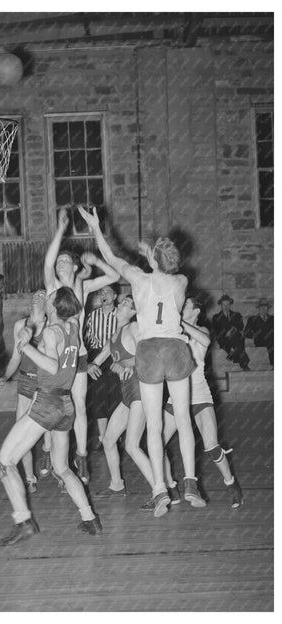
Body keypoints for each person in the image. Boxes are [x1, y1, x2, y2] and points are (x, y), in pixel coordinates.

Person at [79, 206, 205, 517]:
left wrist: (96, 227)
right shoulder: (181, 283)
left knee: (155, 424)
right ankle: (190, 482)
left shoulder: (138, 279)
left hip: (149, 350)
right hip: (176, 349)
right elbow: (166, 267)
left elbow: (111, 258)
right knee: (184, 420)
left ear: (151, 261)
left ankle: (160, 488)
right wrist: (154, 253)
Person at [0, 286, 102, 546]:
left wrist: (25, 346)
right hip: (66, 403)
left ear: (53, 307)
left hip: (48, 401)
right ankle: (90, 519)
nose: (46, 300)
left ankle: (24, 521)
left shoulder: (52, 333)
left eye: (49, 298)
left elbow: (53, 366)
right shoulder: (72, 328)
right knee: (62, 467)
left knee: (3, 462)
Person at [43, 207, 119, 485]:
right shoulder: (52, 287)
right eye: (59, 261)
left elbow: (113, 276)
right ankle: (50, 454)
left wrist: (94, 259)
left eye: (66, 261)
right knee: (56, 409)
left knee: (79, 407)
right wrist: (60, 230)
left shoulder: (84, 288)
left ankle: (83, 458)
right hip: (54, 355)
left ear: (75, 267)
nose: (60, 263)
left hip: (79, 355)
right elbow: (48, 261)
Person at [90, 294, 179, 512]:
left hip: (141, 390)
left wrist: (131, 363)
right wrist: (88, 365)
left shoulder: (135, 327)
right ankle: (117, 485)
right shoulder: (115, 335)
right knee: (109, 440)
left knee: (131, 444)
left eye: (127, 304)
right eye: (122, 302)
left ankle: (160, 493)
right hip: (128, 394)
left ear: (133, 312)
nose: (121, 305)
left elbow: (151, 352)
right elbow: (101, 356)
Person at [162, 297, 243, 508]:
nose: (181, 307)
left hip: (199, 396)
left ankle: (231, 484)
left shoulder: (202, 331)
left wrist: (179, 323)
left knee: (212, 447)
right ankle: (171, 486)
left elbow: (206, 342)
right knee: (156, 442)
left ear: (196, 312)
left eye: (186, 305)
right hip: (176, 396)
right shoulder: (175, 332)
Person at [0, 289, 52, 492]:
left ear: (49, 302)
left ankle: (56, 465)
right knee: (20, 430)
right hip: (25, 382)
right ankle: (30, 478)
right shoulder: (20, 325)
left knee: (51, 430)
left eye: (43, 294)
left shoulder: (52, 326)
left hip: (45, 384)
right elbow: (15, 357)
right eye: (36, 294)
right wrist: (5, 376)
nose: (38, 296)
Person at [84, 285, 122, 448]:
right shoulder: (92, 316)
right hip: (97, 356)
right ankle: (102, 436)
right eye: (101, 292)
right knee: (98, 397)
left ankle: (114, 436)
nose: (104, 294)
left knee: (115, 396)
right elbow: (86, 340)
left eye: (107, 292)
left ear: (114, 296)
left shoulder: (120, 314)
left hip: (116, 357)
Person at [212, 294, 250, 371]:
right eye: (224, 304)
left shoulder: (236, 314)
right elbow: (216, 330)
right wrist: (226, 332)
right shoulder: (216, 317)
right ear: (221, 305)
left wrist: (233, 329)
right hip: (224, 338)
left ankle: (233, 352)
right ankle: (243, 363)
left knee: (236, 336)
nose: (226, 307)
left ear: (230, 305)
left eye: (228, 304)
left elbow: (241, 325)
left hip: (235, 337)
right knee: (237, 339)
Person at [244, 298, 274, 368]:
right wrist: (254, 335)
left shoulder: (273, 319)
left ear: (268, 308)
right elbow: (246, 332)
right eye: (262, 307)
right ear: (259, 308)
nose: (264, 309)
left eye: (265, 307)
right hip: (260, 339)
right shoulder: (252, 319)